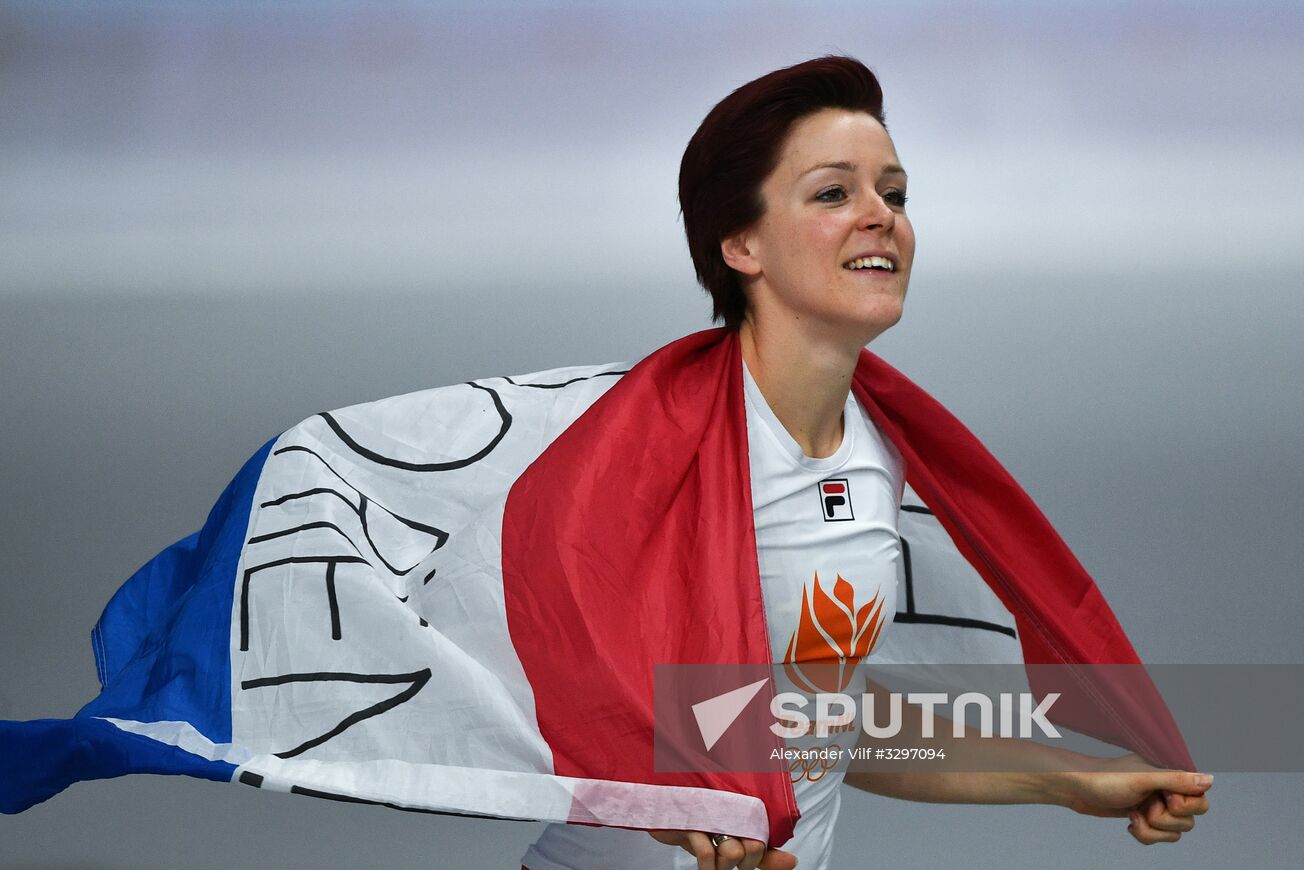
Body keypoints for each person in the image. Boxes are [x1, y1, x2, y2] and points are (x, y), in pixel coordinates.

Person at [519, 55, 1212, 870]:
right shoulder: (647, 455)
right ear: (741, 243)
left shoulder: (879, 445)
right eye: (832, 193)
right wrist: (666, 799)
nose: (881, 216)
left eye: (896, 193)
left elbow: (823, 720)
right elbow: (556, 683)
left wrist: (1073, 778)